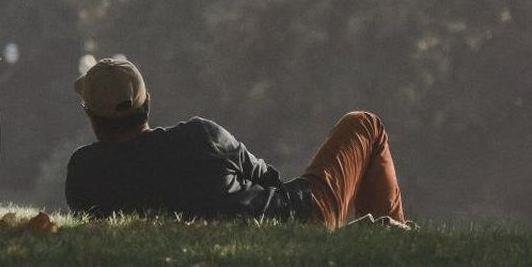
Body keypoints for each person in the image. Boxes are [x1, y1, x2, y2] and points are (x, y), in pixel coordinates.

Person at [65, 57, 407, 229]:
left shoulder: (83, 172)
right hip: (298, 215)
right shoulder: (201, 136)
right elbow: (269, 179)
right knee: (365, 125)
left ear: (92, 118)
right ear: (147, 104)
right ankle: (396, 236)